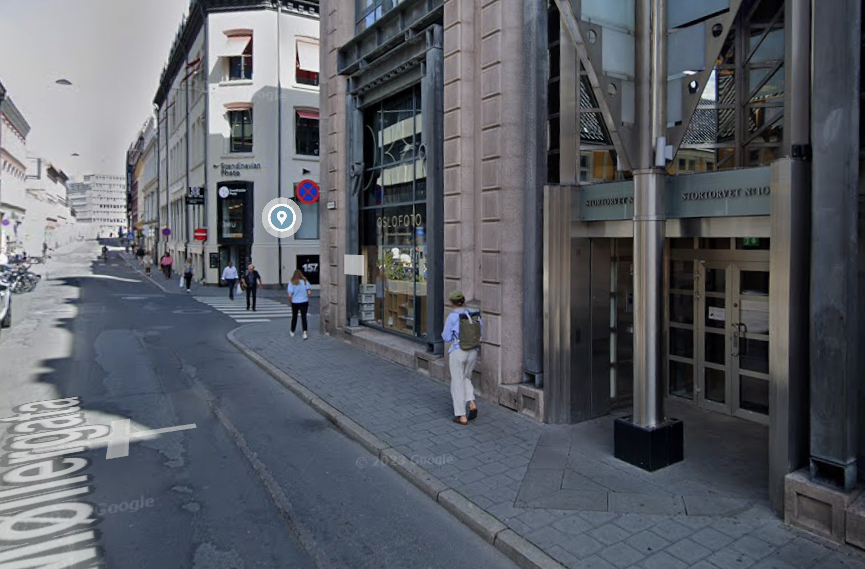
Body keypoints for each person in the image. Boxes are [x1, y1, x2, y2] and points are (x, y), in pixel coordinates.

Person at [442, 291, 483, 425]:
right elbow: (480, 332)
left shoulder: (453, 317)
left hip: (458, 351)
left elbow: (446, 337)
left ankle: (461, 416)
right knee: (466, 378)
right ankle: (471, 402)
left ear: (452, 302)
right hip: (473, 351)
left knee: (457, 382)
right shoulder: (473, 313)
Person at [287, 269, 312, 339]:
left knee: (294, 317)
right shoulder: (305, 281)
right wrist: (305, 294)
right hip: (304, 301)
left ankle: (292, 331)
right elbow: (309, 292)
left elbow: (289, 295)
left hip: (295, 302)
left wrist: (290, 301)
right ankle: (304, 333)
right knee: (304, 317)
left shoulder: (291, 282)